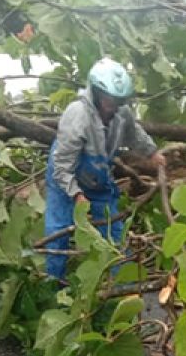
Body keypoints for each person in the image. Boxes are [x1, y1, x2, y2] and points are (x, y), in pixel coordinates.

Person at [44, 58, 167, 280]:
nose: (114, 105)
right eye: (109, 100)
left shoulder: (121, 112)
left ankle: (122, 285)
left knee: (113, 229)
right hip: (66, 174)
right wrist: (76, 194)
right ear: (98, 93)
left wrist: (151, 153)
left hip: (97, 175)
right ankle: (54, 283)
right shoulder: (78, 115)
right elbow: (62, 167)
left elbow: (134, 133)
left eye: (118, 101)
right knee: (58, 231)